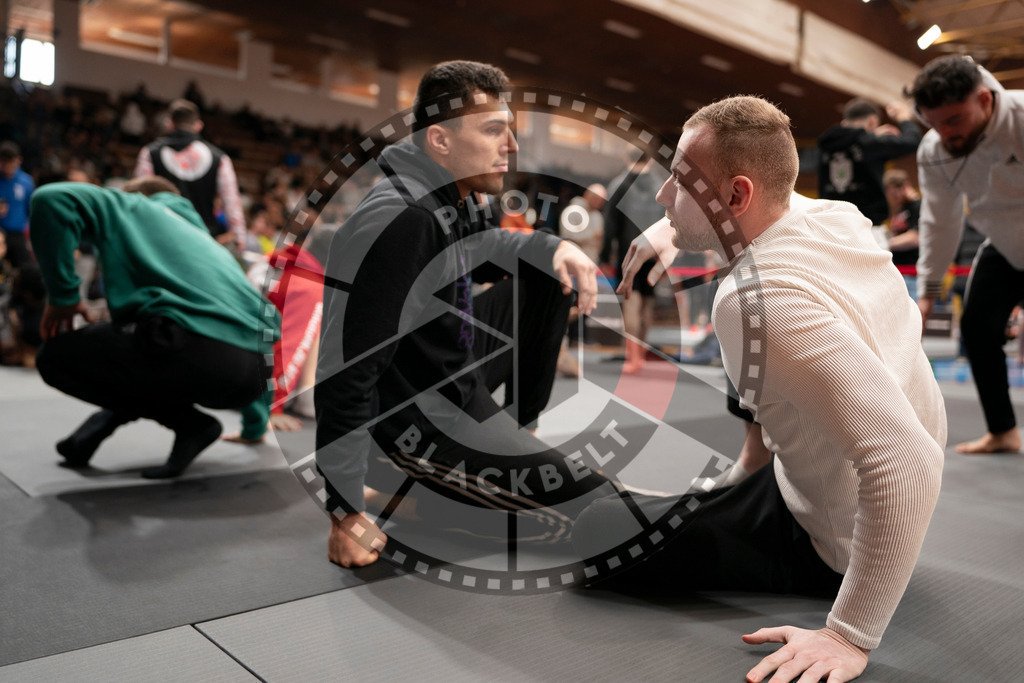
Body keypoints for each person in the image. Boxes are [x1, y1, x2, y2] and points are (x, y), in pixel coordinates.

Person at [572, 96, 945, 683]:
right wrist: (680, 228)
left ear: (738, 196)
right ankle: (746, 468)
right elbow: (765, 217)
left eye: (678, 183)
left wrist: (849, 634)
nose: (663, 197)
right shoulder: (838, 216)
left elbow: (907, 462)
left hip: (832, 536)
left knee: (594, 533)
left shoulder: (760, 300)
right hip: (819, 481)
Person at [315, 60, 612, 568]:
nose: (512, 146)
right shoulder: (403, 220)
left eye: (510, 130)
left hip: (454, 376)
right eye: (494, 130)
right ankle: (401, 493)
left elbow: (492, 245)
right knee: (598, 516)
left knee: (545, 271)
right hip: (422, 424)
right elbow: (345, 370)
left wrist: (554, 247)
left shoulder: (454, 195)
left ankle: (519, 432)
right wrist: (343, 514)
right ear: (440, 141)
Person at [30, 177, 278, 479]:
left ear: (140, 196)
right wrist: (254, 424)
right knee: (144, 352)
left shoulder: (135, 206)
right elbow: (238, 339)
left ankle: (191, 425)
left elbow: (51, 197)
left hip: (194, 352)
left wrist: (63, 297)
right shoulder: (207, 243)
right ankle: (93, 433)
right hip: (253, 375)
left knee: (53, 357)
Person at [908, 55, 1024, 454]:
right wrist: (927, 292)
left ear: (986, 100)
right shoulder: (934, 150)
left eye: (954, 120)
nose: (944, 134)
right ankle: (1003, 431)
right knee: (976, 329)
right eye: (933, 122)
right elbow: (940, 221)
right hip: (1004, 244)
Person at [133, 99, 246, 251]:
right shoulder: (220, 158)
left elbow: (140, 196)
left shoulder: (149, 153)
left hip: (160, 237)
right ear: (198, 125)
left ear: (169, 123)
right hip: (201, 240)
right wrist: (239, 236)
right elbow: (231, 201)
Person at [817, 97, 921, 245]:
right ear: (872, 121)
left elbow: (853, 142)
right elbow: (911, 141)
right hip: (865, 230)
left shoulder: (826, 145)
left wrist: (873, 135)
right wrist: (904, 117)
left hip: (830, 230)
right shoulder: (869, 144)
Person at [601, 155, 665, 373]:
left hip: (629, 251)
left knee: (631, 301)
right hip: (655, 251)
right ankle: (641, 355)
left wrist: (605, 253)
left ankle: (633, 356)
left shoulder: (619, 184)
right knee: (647, 301)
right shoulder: (659, 185)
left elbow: (610, 222)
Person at [882, 169, 921, 297]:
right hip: (900, 272)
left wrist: (885, 243)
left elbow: (915, 238)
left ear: (905, 186)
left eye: (895, 195)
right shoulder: (901, 209)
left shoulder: (918, 206)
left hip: (912, 273)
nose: (894, 199)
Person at [0, 141, 35, 269]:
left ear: (18, 160)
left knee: (26, 269)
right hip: (0, 233)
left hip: (17, 233)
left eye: (11, 162)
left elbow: (30, 209)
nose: (7, 166)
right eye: (4, 162)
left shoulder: (26, 182)